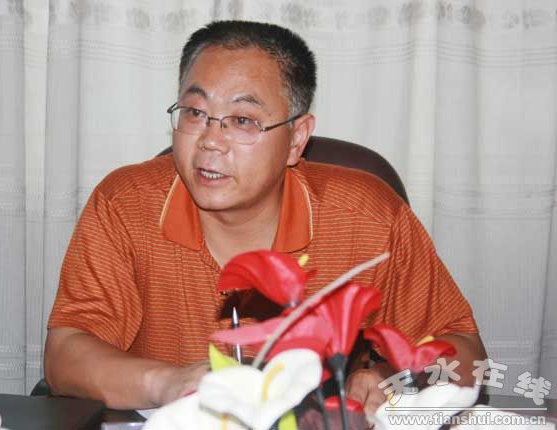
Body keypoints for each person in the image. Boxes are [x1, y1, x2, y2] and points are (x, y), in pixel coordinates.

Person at [44, 20, 486, 414]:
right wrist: (166, 383)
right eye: (195, 113)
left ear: (296, 139)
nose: (210, 141)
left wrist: (392, 379)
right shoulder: (126, 205)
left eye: (242, 120)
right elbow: (66, 353)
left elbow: (465, 353)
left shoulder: (368, 217)